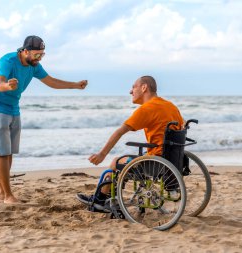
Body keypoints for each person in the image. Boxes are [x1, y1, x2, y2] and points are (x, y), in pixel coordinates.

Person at [0, 35, 88, 204]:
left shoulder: (34, 66)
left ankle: (0, 192)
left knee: (9, 151)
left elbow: (51, 82)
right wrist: (8, 86)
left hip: (13, 106)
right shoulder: (8, 61)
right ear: (25, 51)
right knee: (2, 152)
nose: (39, 58)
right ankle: (8, 196)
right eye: (37, 54)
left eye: (42, 55)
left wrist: (75, 85)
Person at [76, 76, 183, 210]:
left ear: (144, 88)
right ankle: (110, 196)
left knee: (116, 162)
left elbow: (120, 131)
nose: (130, 91)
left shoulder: (147, 109)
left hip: (157, 163)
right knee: (137, 155)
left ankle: (99, 201)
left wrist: (101, 154)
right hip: (173, 160)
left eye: (133, 87)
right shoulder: (171, 106)